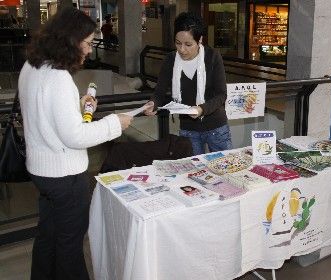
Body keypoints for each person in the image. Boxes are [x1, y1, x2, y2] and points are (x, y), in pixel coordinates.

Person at [18, 7, 133, 279]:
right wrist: (115, 123)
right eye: (88, 43)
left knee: (47, 236)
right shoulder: (59, 77)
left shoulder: (32, 65)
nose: (90, 49)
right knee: (69, 246)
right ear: (71, 40)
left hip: (41, 171)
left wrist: (76, 105)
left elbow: (40, 111)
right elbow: (75, 136)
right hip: (65, 176)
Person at [144, 12, 232, 155]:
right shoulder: (170, 60)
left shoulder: (212, 57)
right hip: (188, 130)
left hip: (216, 128)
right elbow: (159, 92)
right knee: (191, 174)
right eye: (178, 43)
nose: (182, 49)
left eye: (188, 44)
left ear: (200, 40)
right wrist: (152, 103)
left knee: (226, 170)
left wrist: (201, 109)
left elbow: (222, 94)